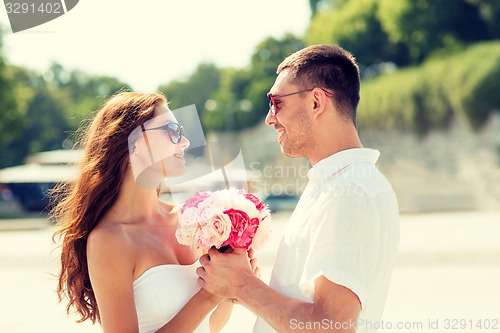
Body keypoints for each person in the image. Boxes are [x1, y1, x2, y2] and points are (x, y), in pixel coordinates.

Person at [196, 44, 400, 332]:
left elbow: (331, 326)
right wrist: (239, 284)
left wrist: (244, 285)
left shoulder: (351, 191)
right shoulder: (336, 185)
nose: (270, 118)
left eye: (276, 102)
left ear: (316, 102)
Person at [51, 92, 233, 333]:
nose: (185, 141)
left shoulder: (192, 219)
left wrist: (232, 286)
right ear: (132, 144)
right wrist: (209, 296)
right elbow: (205, 302)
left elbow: (211, 325)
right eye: (172, 130)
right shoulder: (109, 241)